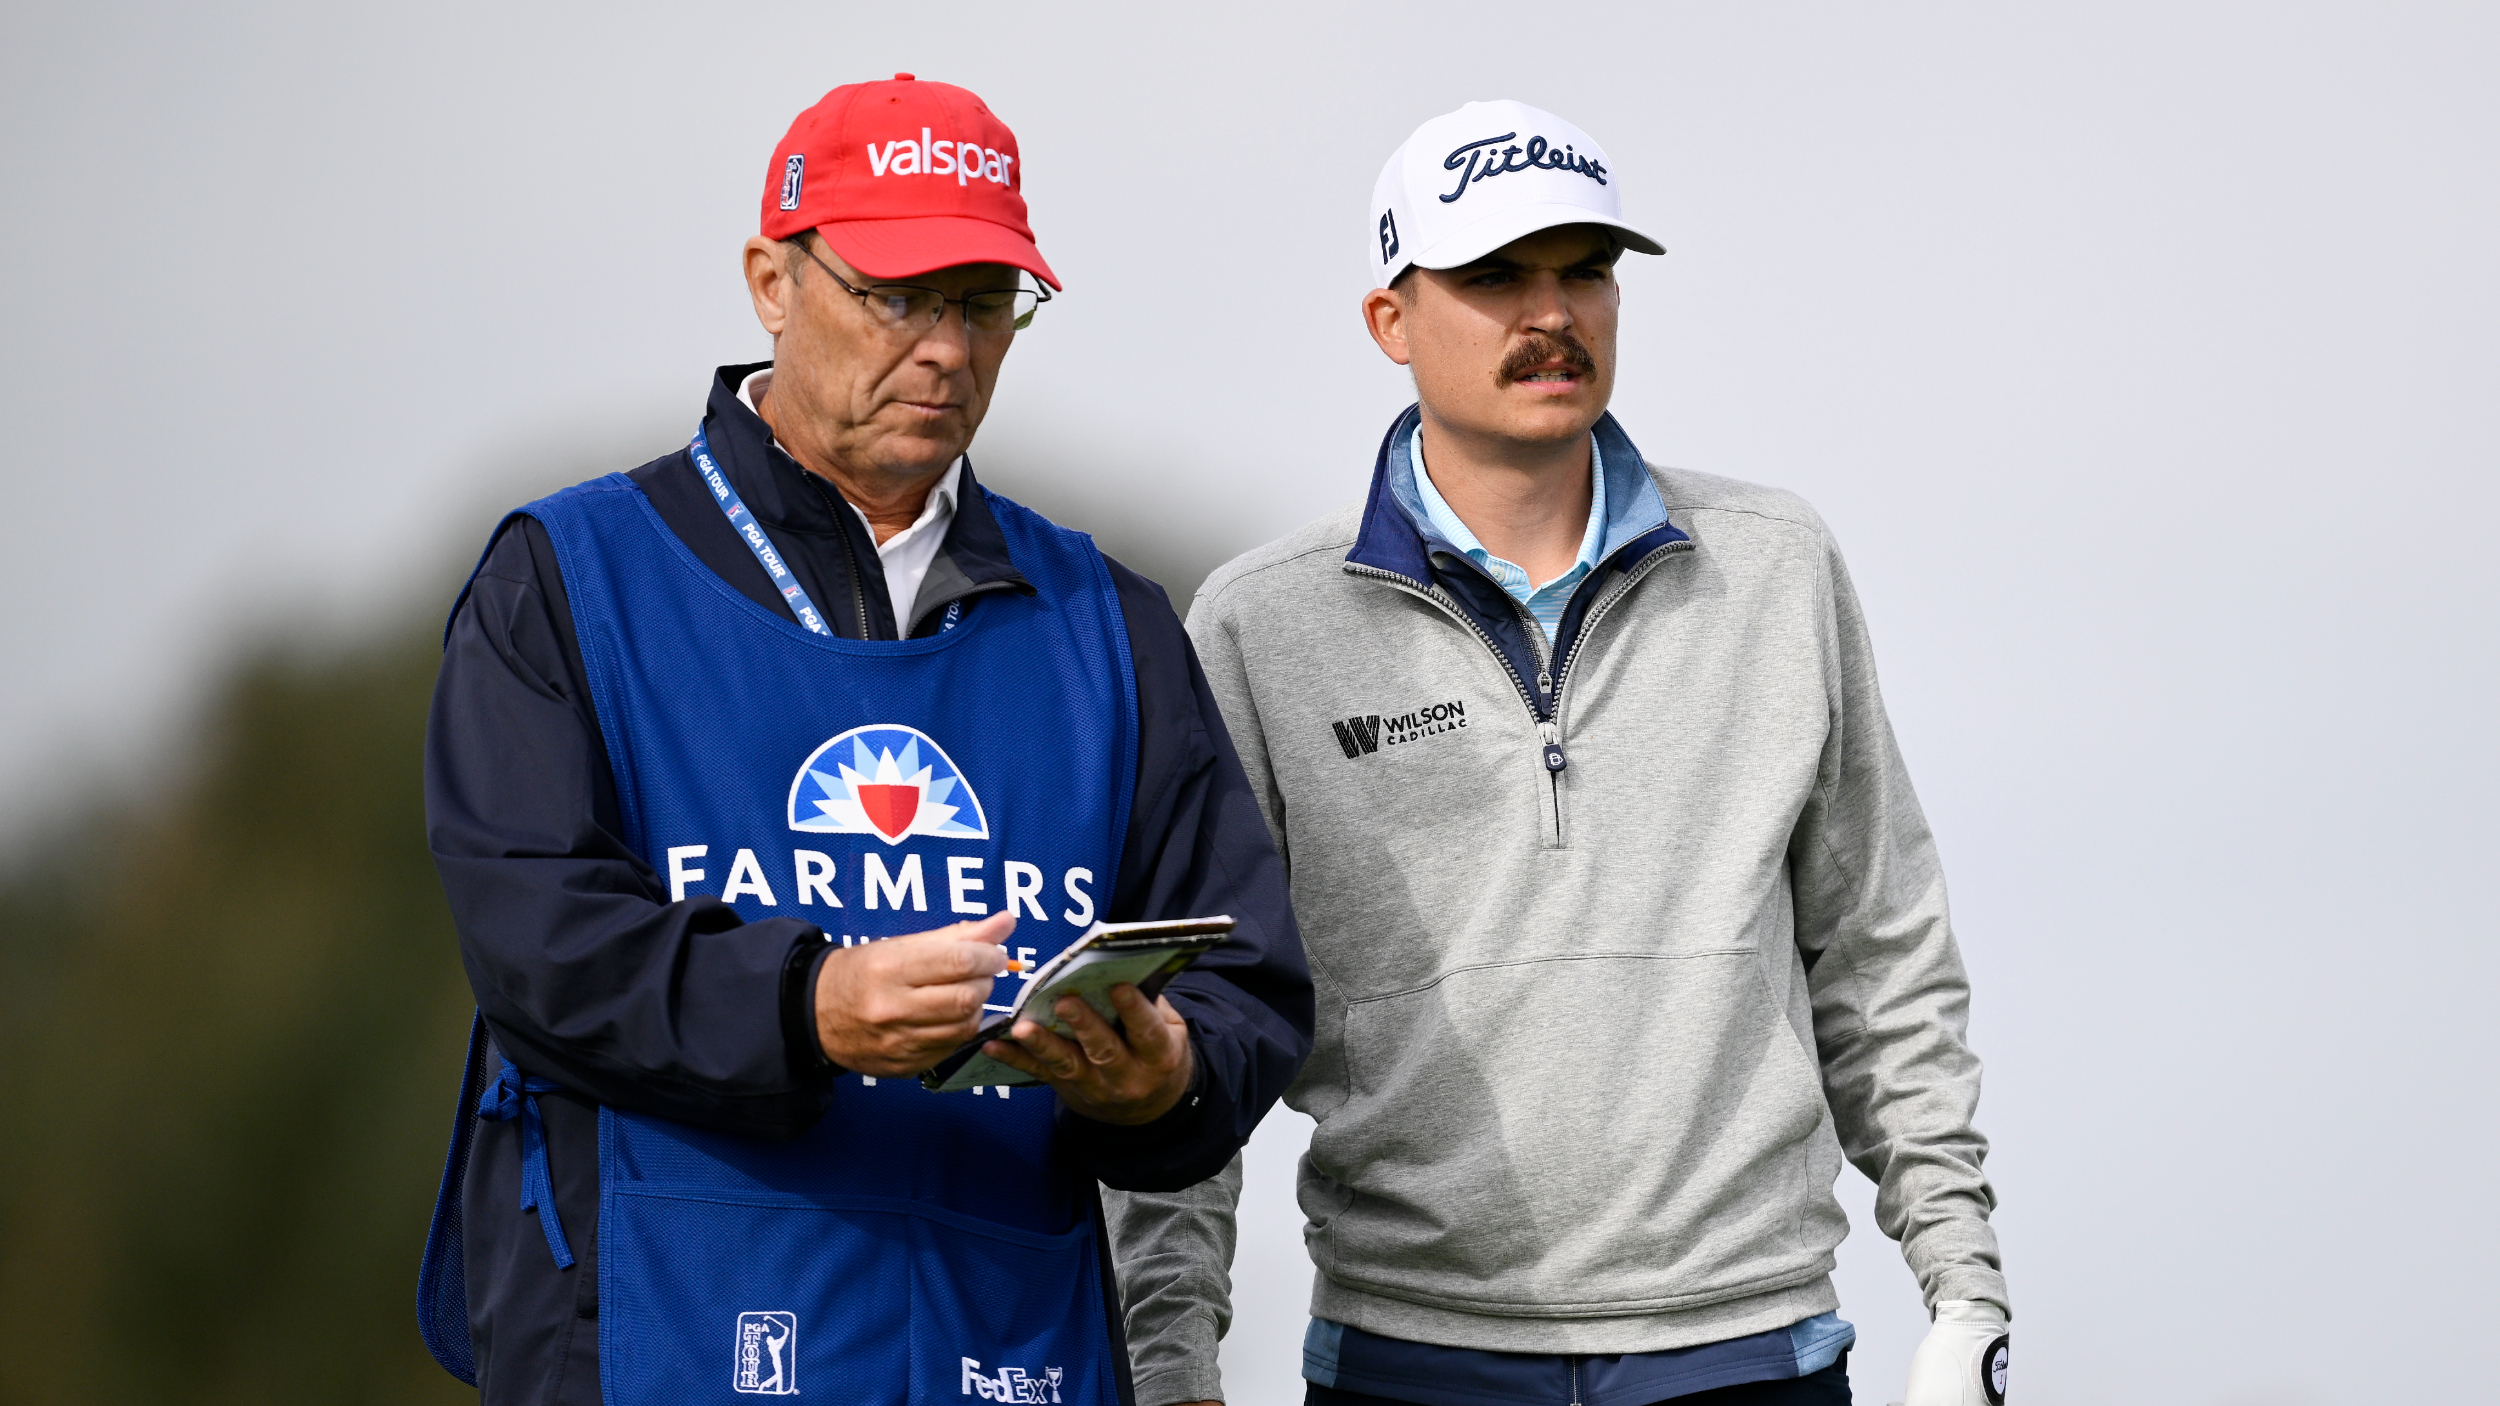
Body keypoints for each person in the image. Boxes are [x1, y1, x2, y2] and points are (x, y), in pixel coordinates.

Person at [412, 74, 1312, 1406]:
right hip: (657, 1336)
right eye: (898, 293)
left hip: (1014, 1346)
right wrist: (809, 1003)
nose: (946, 346)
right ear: (771, 280)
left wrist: (1161, 1074)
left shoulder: (1107, 625)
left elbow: (1249, 986)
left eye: (984, 300)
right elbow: (536, 940)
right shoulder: (570, 574)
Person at [1103, 101, 2012, 1406]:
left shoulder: (1774, 566)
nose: (1551, 312)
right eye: (1491, 276)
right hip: (1409, 1355)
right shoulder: (1261, 623)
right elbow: (1187, 1012)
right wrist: (1171, 1350)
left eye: (1584, 269)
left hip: (1746, 1344)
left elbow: (1879, 948)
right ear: (1390, 320)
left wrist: (1963, 1283)